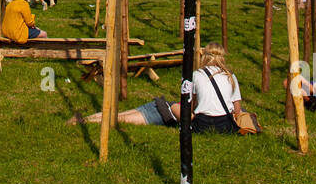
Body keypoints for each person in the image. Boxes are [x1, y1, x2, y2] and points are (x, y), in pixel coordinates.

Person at [70, 43, 243, 133]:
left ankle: (89, 120)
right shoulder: (231, 76)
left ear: (205, 56)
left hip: (200, 124)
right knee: (156, 107)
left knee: (155, 109)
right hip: (224, 124)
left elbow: (190, 109)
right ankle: (91, 119)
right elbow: (237, 110)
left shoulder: (197, 75)